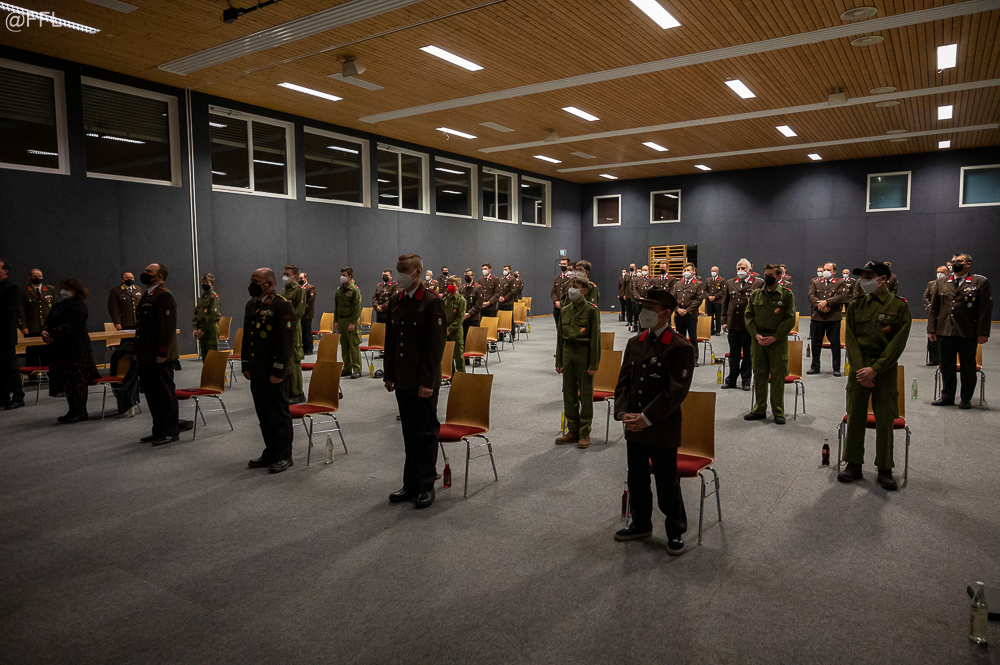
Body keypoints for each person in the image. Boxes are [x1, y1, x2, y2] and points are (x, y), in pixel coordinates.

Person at [613, 288, 694, 555]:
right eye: (643, 307)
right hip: (634, 426)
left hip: (661, 426)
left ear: (666, 313)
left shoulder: (680, 346)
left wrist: (646, 418)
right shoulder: (635, 342)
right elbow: (623, 383)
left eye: (650, 308)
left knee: (667, 482)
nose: (644, 312)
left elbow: (675, 392)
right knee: (637, 479)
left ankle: (675, 530)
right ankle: (641, 524)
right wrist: (623, 414)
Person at [838, 262, 912, 490]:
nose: (865, 281)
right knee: (855, 416)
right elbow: (850, 339)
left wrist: (876, 369)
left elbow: (898, 343)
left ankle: (885, 468)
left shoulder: (899, 306)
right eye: (863, 277)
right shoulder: (856, 305)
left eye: (870, 277)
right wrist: (861, 370)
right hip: (859, 369)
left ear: (884, 279)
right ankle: (853, 464)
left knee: (885, 419)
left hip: (885, 370)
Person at [384, 253, 447, 509]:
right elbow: (391, 341)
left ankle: (426, 485)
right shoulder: (395, 300)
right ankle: (409, 484)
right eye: (398, 269)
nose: (399, 274)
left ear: (417, 272)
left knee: (426, 433)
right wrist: (389, 374)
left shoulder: (431, 302)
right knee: (409, 433)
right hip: (402, 379)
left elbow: (435, 347)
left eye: (404, 270)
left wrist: (428, 382)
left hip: (423, 382)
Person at [243, 268, 295, 473]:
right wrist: (246, 364)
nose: (252, 285)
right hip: (257, 369)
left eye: (256, 282)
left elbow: (285, 342)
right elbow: (247, 337)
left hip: (274, 371)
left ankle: (284, 455)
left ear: (269, 284)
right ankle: (271, 451)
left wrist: (279, 371)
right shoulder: (252, 304)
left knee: (278, 414)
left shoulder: (281, 305)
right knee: (263, 414)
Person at [928, 252, 993, 409]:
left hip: (967, 332)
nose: (954, 263)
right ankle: (947, 396)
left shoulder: (979, 282)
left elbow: (985, 310)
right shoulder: (942, 282)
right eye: (953, 261)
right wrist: (931, 329)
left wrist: (983, 332)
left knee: (968, 367)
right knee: (946, 366)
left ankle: (966, 398)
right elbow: (934, 308)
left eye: (958, 261)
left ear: (968, 264)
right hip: (945, 331)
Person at [41, 278, 101, 423]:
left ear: (75, 290)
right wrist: (44, 332)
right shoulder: (59, 305)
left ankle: (81, 411)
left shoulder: (79, 306)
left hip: (77, 349)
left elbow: (71, 326)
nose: (63, 291)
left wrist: (51, 334)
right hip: (61, 349)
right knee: (67, 380)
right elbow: (47, 321)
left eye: (66, 289)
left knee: (78, 381)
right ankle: (72, 410)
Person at [744, 264, 796, 424]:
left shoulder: (786, 295)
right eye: (766, 274)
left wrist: (775, 337)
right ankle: (759, 409)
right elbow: (748, 316)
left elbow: (790, 319)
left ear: (779, 277)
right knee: (759, 375)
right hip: (758, 340)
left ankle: (778, 412)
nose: (767, 277)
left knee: (777, 377)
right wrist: (756, 335)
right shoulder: (756, 294)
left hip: (777, 342)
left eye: (771, 275)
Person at [554, 276, 602, 449]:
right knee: (569, 394)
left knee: (586, 395)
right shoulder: (565, 310)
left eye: (576, 286)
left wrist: (594, 363)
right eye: (570, 286)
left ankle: (584, 433)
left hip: (584, 353)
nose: (572, 289)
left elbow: (595, 339)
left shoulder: (591, 310)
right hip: (568, 353)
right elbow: (560, 338)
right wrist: (559, 360)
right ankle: (572, 430)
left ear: (584, 291)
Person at [136, 263, 179, 446]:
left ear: (159, 277)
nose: (144, 274)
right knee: (152, 394)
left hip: (160, 355)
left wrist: (162, 352)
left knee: (165, 393)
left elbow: (166, 328)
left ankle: (171, 431)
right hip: (147, 354)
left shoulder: (164, 295)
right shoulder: (147, 295)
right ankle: (158, 430)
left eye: (149, 272)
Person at [721, 259, 762, 391]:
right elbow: (725, 303)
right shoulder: (730, 283)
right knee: (734, 355)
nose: (740, 271)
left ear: (750, 270)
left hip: (748, 325)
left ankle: (746, 380)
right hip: (733, 323)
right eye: (738, 268)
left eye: (743, 268)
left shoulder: (758, 283)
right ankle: (731, 380)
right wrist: (724, 321)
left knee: (748, 355)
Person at [806, 262, 850, 376]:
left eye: (829, 270)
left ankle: (836, 368)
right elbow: (811, 296)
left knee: (835, 344)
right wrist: (819, 304)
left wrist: (827, 302)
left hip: (833, 318)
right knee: (815, 343)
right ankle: (815, 367)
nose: (825, 272)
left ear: (834, 272)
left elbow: (841, 296)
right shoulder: (815, 282)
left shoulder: (840, 282)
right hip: (817, 317)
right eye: (824, 269)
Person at [18, 268, 58, 367]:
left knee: (47, 354)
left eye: (40, 276)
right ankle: (33, 375)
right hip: (32, 328)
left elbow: (55, 308)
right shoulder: (24, 291)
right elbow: (20, 310)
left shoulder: (50, 290)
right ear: (30, 277)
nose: (38, 278)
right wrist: (23, 326)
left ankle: (47, 374)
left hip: (47, 327)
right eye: (35, 276)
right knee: (32, 354)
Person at [0, 259, 26, 410]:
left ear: (5, 271)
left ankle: (18, 396)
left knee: (10, 367)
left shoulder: (11, 288)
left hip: (5, 334)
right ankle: (3, 397)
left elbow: (9, 311)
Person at [281, 265, 307, 404]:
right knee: (287, 360)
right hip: (284, 330)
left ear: (295, 277)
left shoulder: (299, 291)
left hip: (293, 330)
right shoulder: (284, 290)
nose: (285, 276)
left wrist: (288, 325)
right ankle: (289, 391)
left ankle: (298, 393)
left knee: (295, 361)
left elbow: (299, 312)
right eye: (284, 273)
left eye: (288, 274)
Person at [334, 267, 363, 379]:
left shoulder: (354, 290)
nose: (342, 277)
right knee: (344, 346)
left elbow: (357, 308)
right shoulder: (339, 290)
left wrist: (353, 322)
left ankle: (357, 369)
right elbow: (336, 307)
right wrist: (336, 320)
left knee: (353, 346)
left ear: (350, 276)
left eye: (344, 275)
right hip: (341, 320)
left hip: (351, 320)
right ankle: (347, 368)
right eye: (341, 275)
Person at [671, 263, 704, 356]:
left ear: (693, 272)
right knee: (680, 338)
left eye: (688, 270)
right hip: (678, 315)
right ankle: (681, 357)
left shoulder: (698, 284)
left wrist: (688, 310)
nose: (686, 272)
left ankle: (694, 357)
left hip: (691, 315)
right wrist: (677, 309)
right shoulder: (678, 284)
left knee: (692, 337)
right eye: (684, 270)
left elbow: (698, 299)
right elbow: (672, 298)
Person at [192, 272, 221, 361]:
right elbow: (196, 314)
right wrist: (195, 328)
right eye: (203, 283)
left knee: (212, 358)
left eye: (207, 283)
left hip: (210, 330)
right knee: (205, 358)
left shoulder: (214, 297)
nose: (204, 284)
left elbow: (213, 315)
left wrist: (203, 330)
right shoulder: (201, 298)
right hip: (201, 330)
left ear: (212, 284)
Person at [923, 265, 947, 365]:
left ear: (947, 273)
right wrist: (930, 306)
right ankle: (933, 359)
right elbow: (925, 297)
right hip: (933, 314)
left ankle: (943, 359)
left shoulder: (950, 284)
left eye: (942, 272)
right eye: (938, 272)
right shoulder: (932, 283)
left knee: (943, 338)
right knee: (931, 336)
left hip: (945, 315)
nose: (939, 274)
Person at [443, 276, 466, 374]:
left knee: (458, 355)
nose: (449, 286)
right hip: (445, 331)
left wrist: (450, 329)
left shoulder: (461, 300)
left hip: (456, 332)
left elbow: (460, 318)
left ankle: (461, 377)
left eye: (452, 284)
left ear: (458, 286)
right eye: (448, 284)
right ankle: (451, 377)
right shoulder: (445, 300)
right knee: (448, 356)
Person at [460, 268, 485, 356]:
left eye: (468, 276)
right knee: (464, 340)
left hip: (473, 318)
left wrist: (469, 314)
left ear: (473, 276)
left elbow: (478, 305)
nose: (466, 277)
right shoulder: (461, 289)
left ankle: (477, 359)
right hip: (464, 319)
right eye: (465, 276)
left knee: (475, 340)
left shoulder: (478, 288)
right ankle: (466, 359)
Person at [630, 265, 653, 332]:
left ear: (648, 271)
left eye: (645, 270)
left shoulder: (651, 279)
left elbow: (652, 291)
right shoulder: (637, 279)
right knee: (640, 318)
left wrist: (646, 300)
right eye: (643, 270)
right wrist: (639, 298)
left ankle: (648, 332)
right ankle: (640, 332)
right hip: (639, 302)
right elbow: (634, 290)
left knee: (648, 319)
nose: (644, 271)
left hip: (648, 303)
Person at [705, 266, 726, 335]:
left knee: (718, 316)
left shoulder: (721, 280)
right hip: (709, 301)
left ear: (717, 272)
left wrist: (714, 297)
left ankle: (718, 330)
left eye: (714, 271)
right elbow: (705, 290)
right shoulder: (708, 280)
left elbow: (722, 291)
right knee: (710, 316)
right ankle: (711, 330)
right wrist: (708, 296)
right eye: (712, 271)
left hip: (718, 301)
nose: (713, 272)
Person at [550, 256, 572, 324]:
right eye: (561, 264)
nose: (562, 265)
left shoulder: (571, 278)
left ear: (568, 265)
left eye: (564, 264)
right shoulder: (557, 278)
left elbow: (570, 293)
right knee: (558, 326)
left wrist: (561, 303)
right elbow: (553, 292)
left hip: (566, 307)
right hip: (557, 307)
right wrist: (556, 301)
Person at [300, 272, 316, 355]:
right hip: (300, 314)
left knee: (307, 331)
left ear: (306, 278)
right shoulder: (299, 288)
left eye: (301, 278)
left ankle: (309, 348)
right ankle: (303, 347)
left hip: (307, 314)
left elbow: (310, 302)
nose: (300, 280)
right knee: (301, 332)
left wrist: (302, 310)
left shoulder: (310, 288)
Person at [623, 263, 637, 329]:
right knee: (628, 308)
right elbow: (624, 285)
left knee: (634, 308)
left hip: (633, 295)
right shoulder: (627, 275)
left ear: (635, 267)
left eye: (632, 266)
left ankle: (635, 321)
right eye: (630, 266)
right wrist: (624, 294)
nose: (631, 267)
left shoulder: (636, 275)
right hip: (628, 294)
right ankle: (629, 321)